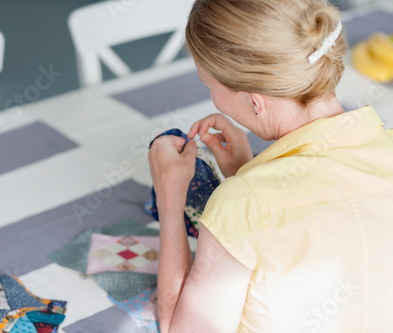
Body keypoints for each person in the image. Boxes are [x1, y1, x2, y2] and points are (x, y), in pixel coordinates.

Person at [148, 0, 393, 332]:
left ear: (254, 101)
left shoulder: (242, 205)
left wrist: (170, 197)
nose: (212, 97)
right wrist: (247, 172)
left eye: (210, 87)